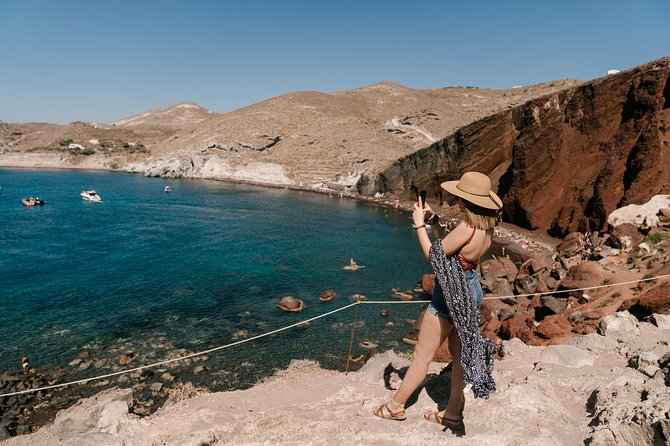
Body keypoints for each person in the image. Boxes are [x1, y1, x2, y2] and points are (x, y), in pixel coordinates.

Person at [373, 171, 501, 433]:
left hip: (450, 296)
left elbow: (436, 257)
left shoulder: (467, 227)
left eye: (460, 197)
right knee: (458, 357)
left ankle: (395, 406)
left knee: (422, 357)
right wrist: (435, 223)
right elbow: (452, 248)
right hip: (470, 292)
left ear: (467, 201)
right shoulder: (485, 228)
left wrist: (419, 224)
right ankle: (452, 414)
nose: (457, 200)